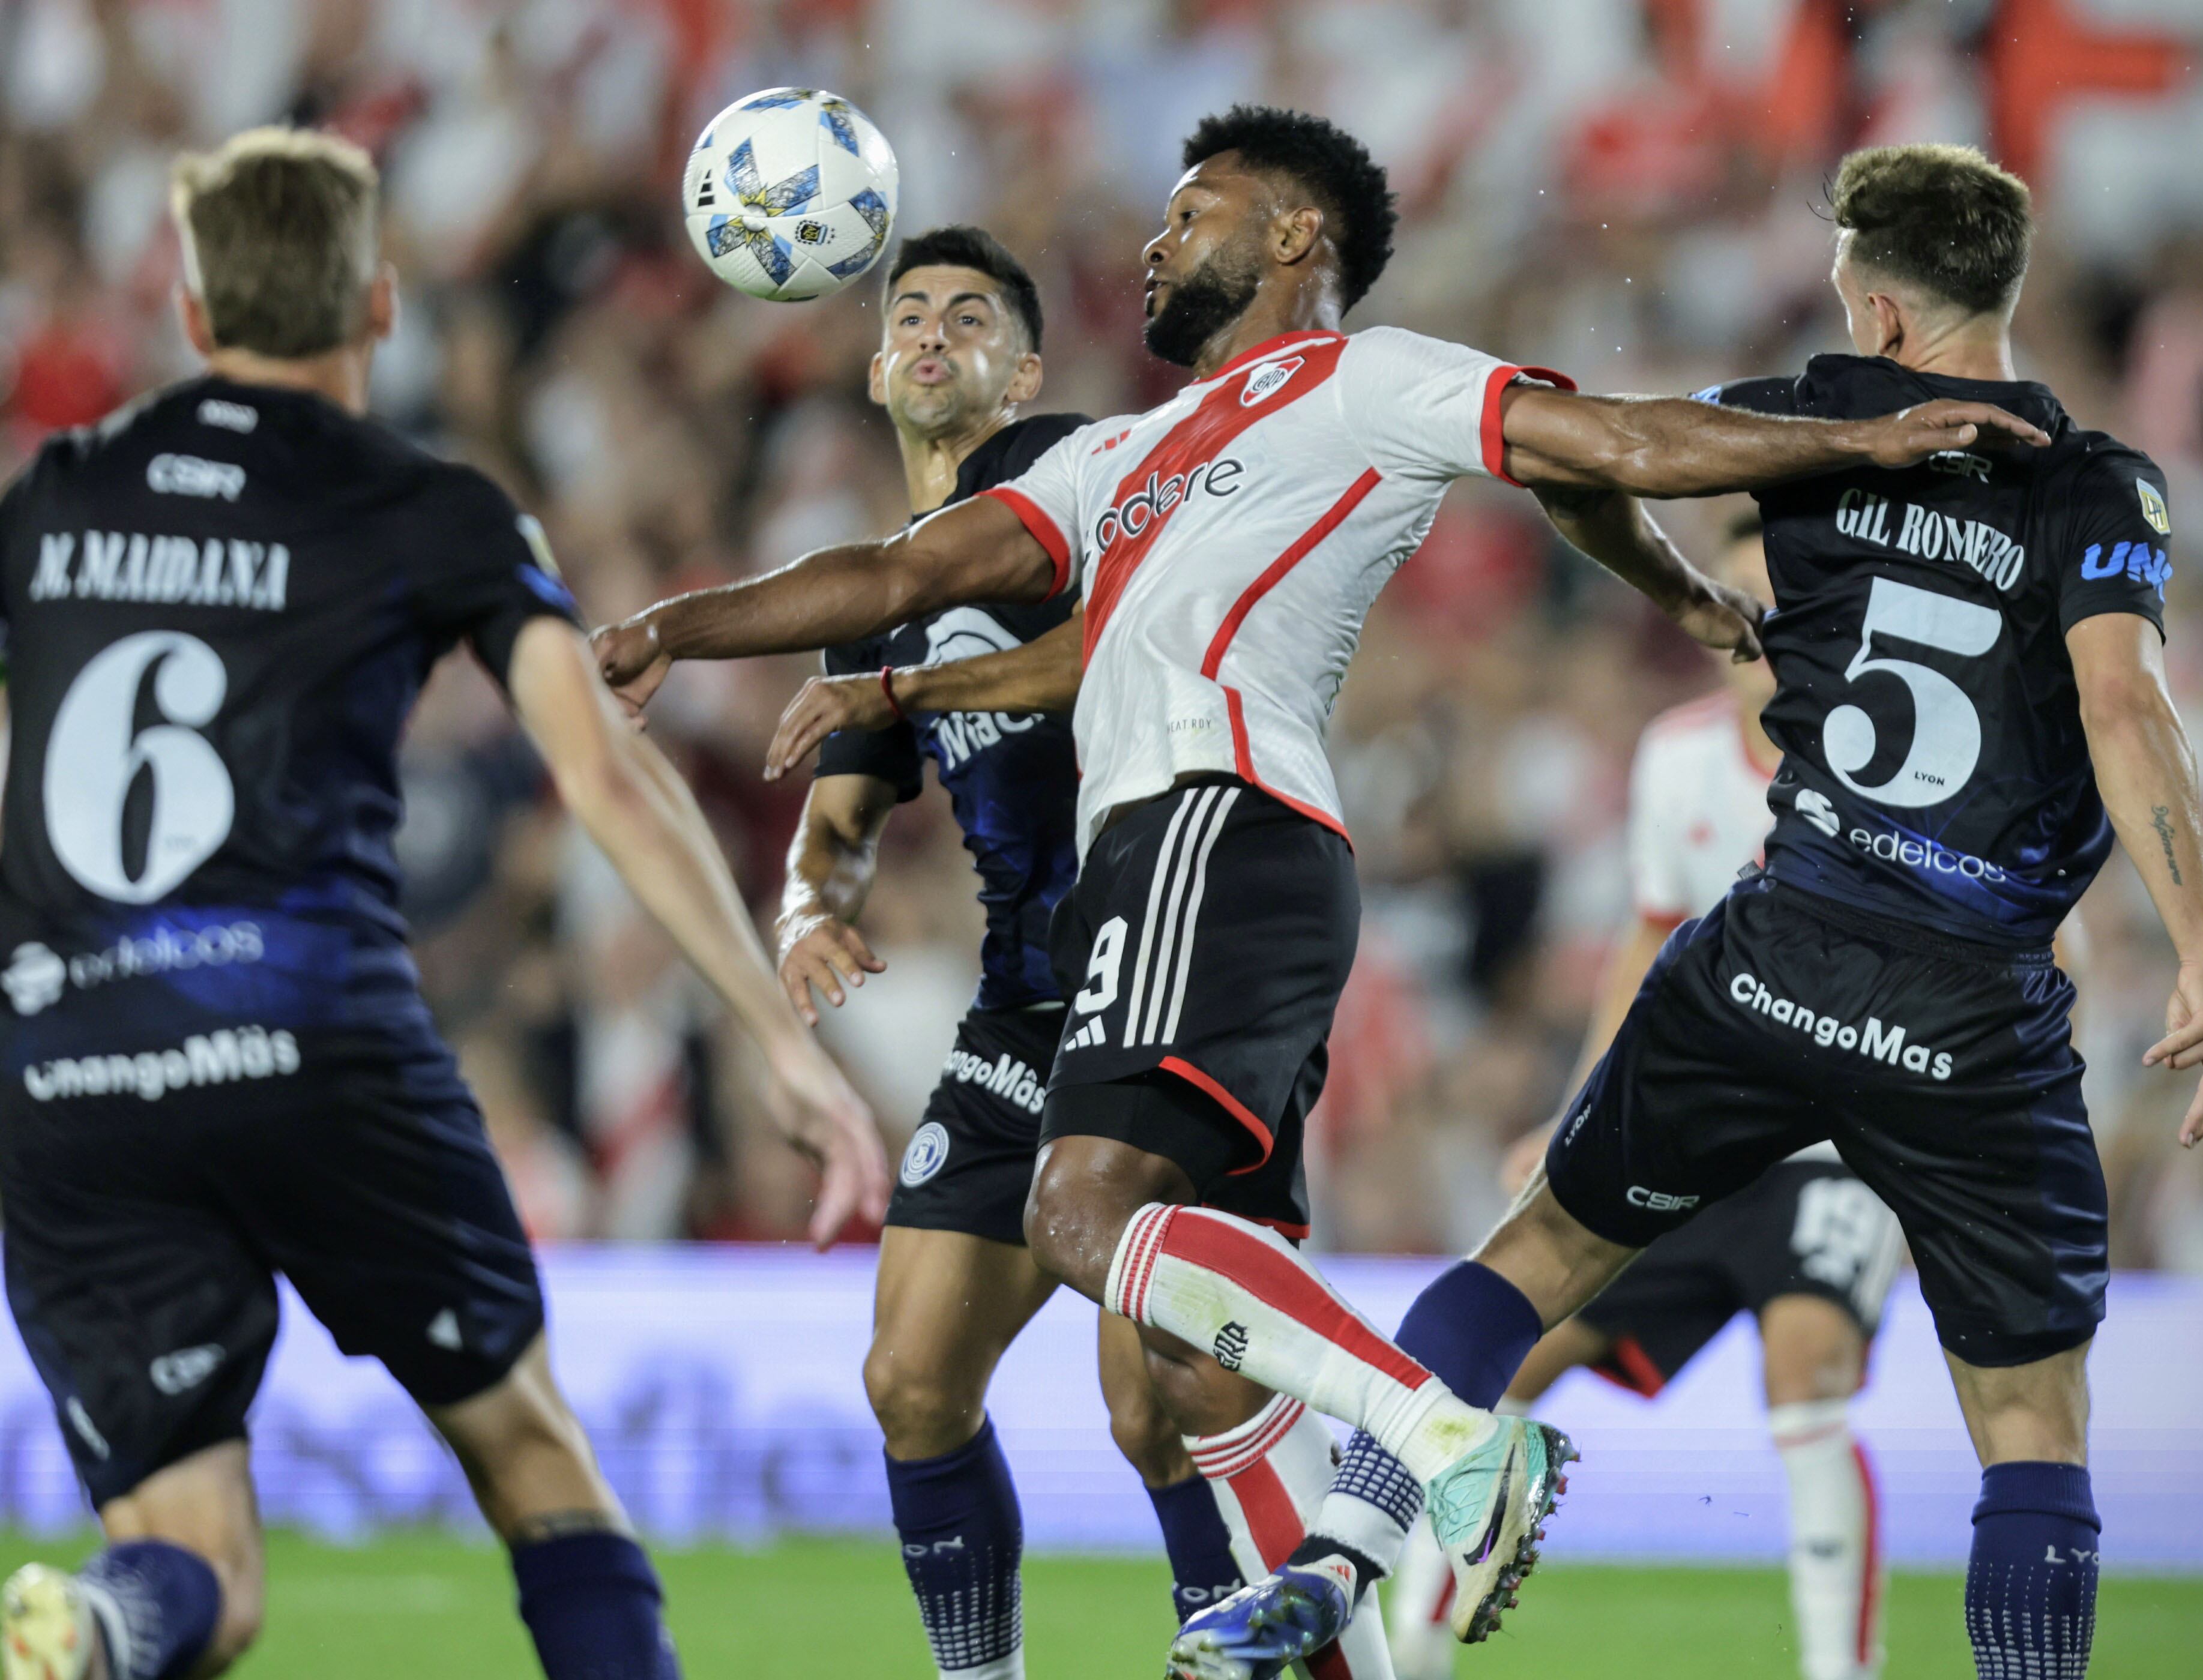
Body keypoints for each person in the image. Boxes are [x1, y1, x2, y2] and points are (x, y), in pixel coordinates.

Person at [592, 105, 2044, 1676]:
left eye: (1193, 203)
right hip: (1195, 858)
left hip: (1221, 828)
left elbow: (1608, 445)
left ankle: (1447, 1441)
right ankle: (1337, 1613)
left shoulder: (1371, 377)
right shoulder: (1118, 458)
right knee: (1182, 1362)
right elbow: (894, 582)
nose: (1157, 239)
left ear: (1298, 235)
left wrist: (1846, 443)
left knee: (1075, 1211)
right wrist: (682, 623)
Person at [1222, 142, 2203, 1680]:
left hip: (1776, 955)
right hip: (1969, 1011)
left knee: (1534, 1258)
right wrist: (2199, 946)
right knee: (2030, 1422)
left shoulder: (1795, 426)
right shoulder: (2100, 482)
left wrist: (1681, 587)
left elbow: (1578, 458)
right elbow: (2124, 703)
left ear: (1880, 315)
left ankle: (1333, 1558)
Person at [0, 128, 888, 1680]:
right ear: (382, 304)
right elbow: (606, 781)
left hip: (74, 1069)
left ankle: (90, 1623)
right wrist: (781, 1040)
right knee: (535, 1464)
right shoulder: (426, 505)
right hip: (315, 1043)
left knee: (198, 1573)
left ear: (197, 314)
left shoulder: (53, 496)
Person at [770, 222, 1391, 1680]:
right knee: (912, 1379)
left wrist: (913, 669)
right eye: (908, 316)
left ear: (1029, 369)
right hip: (1017, 1005)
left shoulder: (1077, 492)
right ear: (873, 373)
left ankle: (1275, 1603)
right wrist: (810, 905)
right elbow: (839, 820)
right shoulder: (886, 590)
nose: (932, 334)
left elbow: (1126, 642)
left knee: (1157, 1398)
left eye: (969, 315)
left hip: (1170, 965)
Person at [1379, 513, 1903, 1680]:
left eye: (1793, 615)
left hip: (1838, 1142)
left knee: (1805, 1362)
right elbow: (1647, 953)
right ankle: (1412, 1647)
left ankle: (1839, 1669)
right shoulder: (1676, 760)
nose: (1767, 639)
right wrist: (1572, 1120)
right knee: (1518, 1347)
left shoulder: (1895, 767)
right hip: (1696, 1129)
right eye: (1747, 615)